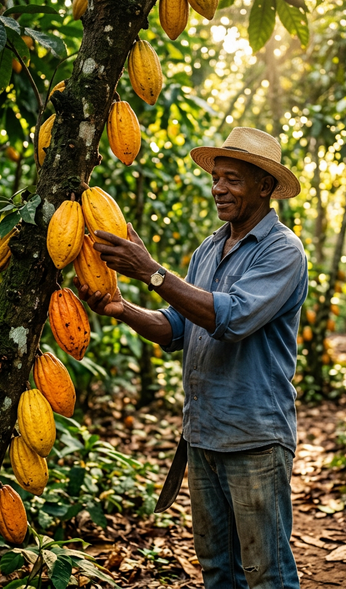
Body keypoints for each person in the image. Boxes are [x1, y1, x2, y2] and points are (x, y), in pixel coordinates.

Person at [75, 127, 307, 589]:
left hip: (254, 439)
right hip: (203, 437)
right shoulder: (208, 248)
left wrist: (151, 270)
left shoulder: (283, 251)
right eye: (217, 178)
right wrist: (121, 308)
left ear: (265, 186)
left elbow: (231, 318)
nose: (219, 188)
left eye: (233, 179)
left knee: (268, 574)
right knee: (219, 571)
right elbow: (177, 326)